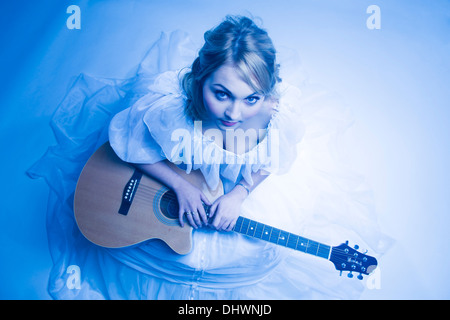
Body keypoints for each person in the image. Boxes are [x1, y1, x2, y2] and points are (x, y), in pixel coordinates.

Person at [28, 15, 390, 300]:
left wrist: (239, 194)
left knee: (251, 254)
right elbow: (130, 147)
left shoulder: (269, 117)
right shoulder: (170, 114)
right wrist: (179, 188)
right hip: (172, 177)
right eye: (222, 93)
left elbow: (268, 159)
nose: (234, 112)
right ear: (200, 79)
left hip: (233, 188)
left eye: (250, 98)